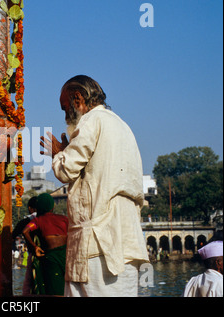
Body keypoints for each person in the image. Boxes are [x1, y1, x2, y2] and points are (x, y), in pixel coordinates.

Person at [40, 75, 149, 297]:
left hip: (99, 245)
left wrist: (59, 154)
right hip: (126, 243)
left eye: (65, 108)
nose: (65, 115)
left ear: (77, 99)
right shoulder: (122, 126)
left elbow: (66, 170)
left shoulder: (90, 121)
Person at [22, 193, 68, 296]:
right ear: (53, 206)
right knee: (66, 286)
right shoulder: (64, 218)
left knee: (54, 288)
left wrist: (35, 247)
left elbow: (25, 231)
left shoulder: (38, 220)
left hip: (51, 257)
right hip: (66, 255)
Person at [12, 196, 38, 295]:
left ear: (30, 208)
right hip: (53, 258)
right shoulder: (55, 220)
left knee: (30, 287)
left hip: (34, 257)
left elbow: (13, 236)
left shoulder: (26, 222)